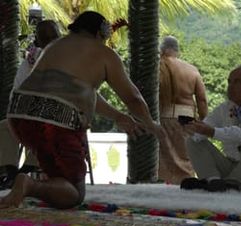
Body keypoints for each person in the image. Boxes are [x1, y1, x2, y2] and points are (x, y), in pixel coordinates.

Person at [1, 11, 164, 209]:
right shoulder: (103, 53)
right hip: (55, 122)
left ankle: (35, 185)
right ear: (99, 34)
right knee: (75, 193)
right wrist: (152, 125)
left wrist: (118, 116)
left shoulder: (55, 46)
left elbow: (80, 93)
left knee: (59, 178)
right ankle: (28, 185)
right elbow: (134, 98)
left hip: (19, 117)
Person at [0, 20, 61, 189]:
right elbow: (17, 92)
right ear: (38, 41)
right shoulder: (30, 61)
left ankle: (25, 171)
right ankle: (12, 173)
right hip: (31, 112)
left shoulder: (68, 57)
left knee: (45, 127)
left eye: (53, 37)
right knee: (5, 126)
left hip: (61, 115)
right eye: (45, 38)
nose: (50, 41)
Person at [158, 36, 208, 184]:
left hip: (163, 117)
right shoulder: (192, 70)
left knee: (163, 162)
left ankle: (163, 194)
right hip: (187, 118)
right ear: (177, 51)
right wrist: (204, 123)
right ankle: (186, 192)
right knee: (186, 160)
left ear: (162, 50)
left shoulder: (157, 69)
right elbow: (202, 100)